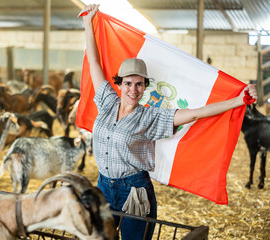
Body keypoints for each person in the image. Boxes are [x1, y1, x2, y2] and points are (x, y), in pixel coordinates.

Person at [81, 4, 257, 240]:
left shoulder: (150, 116)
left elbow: (196, 113)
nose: (133, 89)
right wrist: (87, 22)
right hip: (103, 187)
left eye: (140, 84)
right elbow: (94, 61)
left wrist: (237, 100)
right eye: (128, 83)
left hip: (134, 191)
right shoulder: (106, 102)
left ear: (145, 87)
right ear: (119, 83)